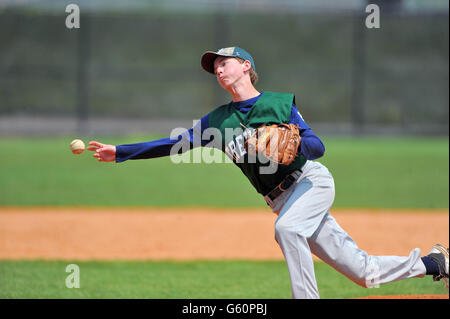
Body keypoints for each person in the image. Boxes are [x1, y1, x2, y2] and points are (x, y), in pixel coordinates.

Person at [87, 46, 449, 298]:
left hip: (310, 183)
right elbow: (173, 143)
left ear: (246, 66)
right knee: (362, 272)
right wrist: (119, 152)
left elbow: (318, 147)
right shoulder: (219, 120)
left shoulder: (279, 103)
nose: (218, 69)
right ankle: (437, 263)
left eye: (224, 62)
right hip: (282, 200)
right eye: (214, 67)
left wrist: (287, 143)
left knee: (287, 229)